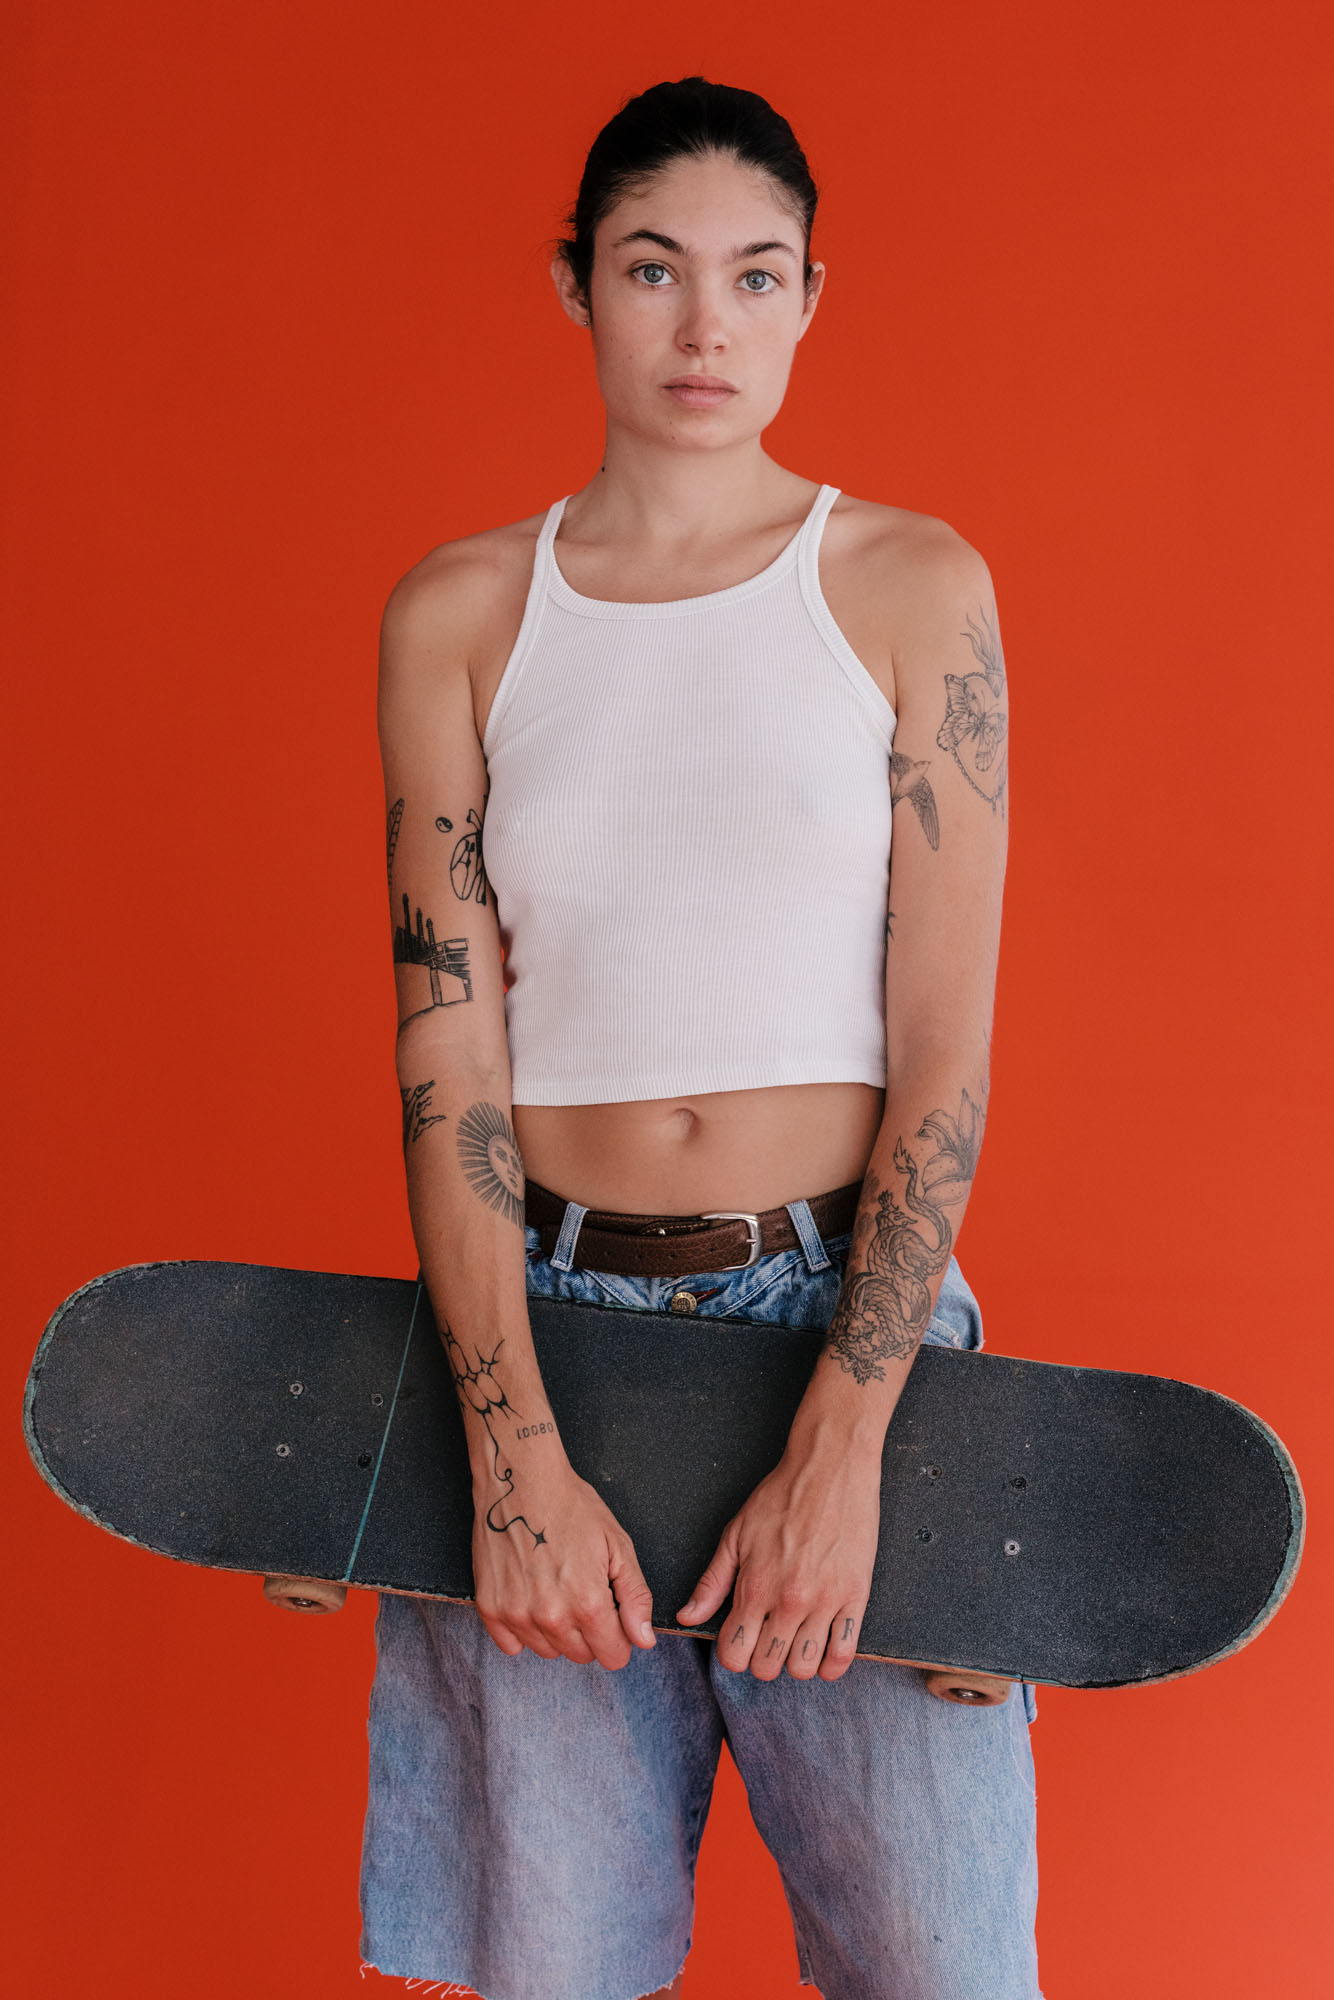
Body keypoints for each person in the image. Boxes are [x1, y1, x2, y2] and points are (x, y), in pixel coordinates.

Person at [360, 75, 1038, 2000]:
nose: (703, 324)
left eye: (754, 275)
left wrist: (847, 1437)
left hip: (844, 1317)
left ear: (811, 297)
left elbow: (943, 1048)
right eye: (653, 269)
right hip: (543, 1330)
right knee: (548, 1970)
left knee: (941, 1969)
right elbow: (447, 1056)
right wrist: (509, 1454)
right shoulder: (459, 614)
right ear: (575, 283)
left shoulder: (909, 586)